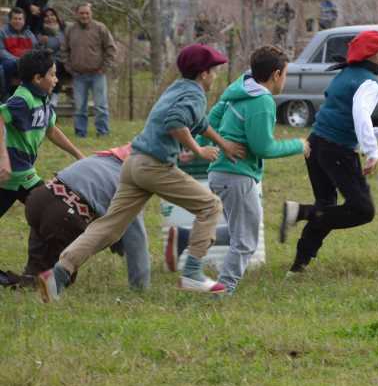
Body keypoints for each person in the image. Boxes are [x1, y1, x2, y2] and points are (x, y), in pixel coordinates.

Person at [36, 44, 248, 302]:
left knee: (110, 227)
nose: (215, 76)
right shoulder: (195, 95)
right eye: (213, 71)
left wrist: (223, 144)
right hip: (154, 167)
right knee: (210, 206)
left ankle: (58, 274)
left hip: (132, 163)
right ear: (203, 73)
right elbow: (176, 123)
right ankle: (192, 272)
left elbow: (199, 122)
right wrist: (199, 151)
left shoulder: (178, 88)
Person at [279, 30, 378, 274]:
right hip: (336, 151)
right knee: (362, 210)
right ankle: (300, 211)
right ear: (370, 56)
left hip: (315, 145)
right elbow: (359, 114)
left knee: (327, 205)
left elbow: (342, 116)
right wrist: (371, 151)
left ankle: (298, 266)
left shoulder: (346, 74)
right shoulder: (369, 82)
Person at [195, 45, 309, 295]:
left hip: (221, 173)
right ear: (277, 75)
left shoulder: (240, 88)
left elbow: (212, 117)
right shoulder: (262, 100)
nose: (285, 80)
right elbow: (262, 147)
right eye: (286, 74)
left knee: (240, 232)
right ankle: (223, 290)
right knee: (246, 241)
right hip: (237, 176)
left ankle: (193, 245)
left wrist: (203, 148)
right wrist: (297, 145)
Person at [18, 144, 150, 290]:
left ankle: (30, 279)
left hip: (39, 198)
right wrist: (140, 286)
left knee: (36, 268)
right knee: (61, 277)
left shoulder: (101, 158)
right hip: (64, 216)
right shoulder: (133, 181)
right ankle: (46, 289)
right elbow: (135, 238)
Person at [1, 49, 83, 220]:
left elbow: (51, 130)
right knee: (55, 212)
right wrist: (3, 158)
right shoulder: (23, 99)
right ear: (38, 78)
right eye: (52, 75)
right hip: (15, 173)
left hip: (19, 175)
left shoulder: (43, 99)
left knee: (53, 213)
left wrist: (78, 154)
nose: (56, 79)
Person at [61, 3, 117, 138]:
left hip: (97, 74)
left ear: (91, 14)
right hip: (78, 75)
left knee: (101, 107)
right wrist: (69, 67)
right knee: (80, 107)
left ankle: (102, 132)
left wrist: (104, 67)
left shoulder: (100, 28)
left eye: (87, 13)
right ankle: (80, 133)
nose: (84, 16)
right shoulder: (70, 30)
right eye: (82, 13)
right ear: (77, 14)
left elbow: (111, 48)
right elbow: (64, 51)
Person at [0, 8, 38, 98]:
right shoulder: (2, 32)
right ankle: (5, 95)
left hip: (26, 63)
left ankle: (33, 95)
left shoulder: (29, 34)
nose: (17, 21)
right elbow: (1, 50)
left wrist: (26, 60)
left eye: (20, 19)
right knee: (7, 65)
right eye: (15, 18)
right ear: (10, 20)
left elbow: (36, 49)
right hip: (10, 62)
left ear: (24, 21)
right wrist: (17, 60)